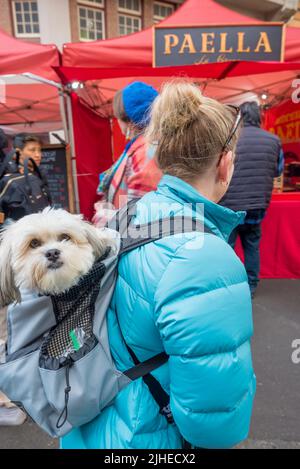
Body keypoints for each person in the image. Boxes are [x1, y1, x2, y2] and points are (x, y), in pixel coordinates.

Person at [62, 81, 256, 449]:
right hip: (147, 438)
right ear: (225, 161)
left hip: (97, 421)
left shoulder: (129, 214)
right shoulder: (205, 256)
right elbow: (213, 423)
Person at [220, 101, 284, 297]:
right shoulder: (273, 140)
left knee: (228, 246)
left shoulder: (230, 138)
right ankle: (251, 285)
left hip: (230, 205)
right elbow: (277, 171)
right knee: (252, 245)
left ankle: (228, 283)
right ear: (259, 118)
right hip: (257, 205)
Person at [92, 81, 162, 227]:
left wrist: (105, 217)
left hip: (133, 238)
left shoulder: (145, 152)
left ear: (129, 120)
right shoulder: (142, 147)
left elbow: (140, 215)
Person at [0, 133, 51, 224]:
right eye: (32, 150)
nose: (38, 155)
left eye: (39, 150)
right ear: (18, 152)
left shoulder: (39, 171)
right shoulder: (6, 172)